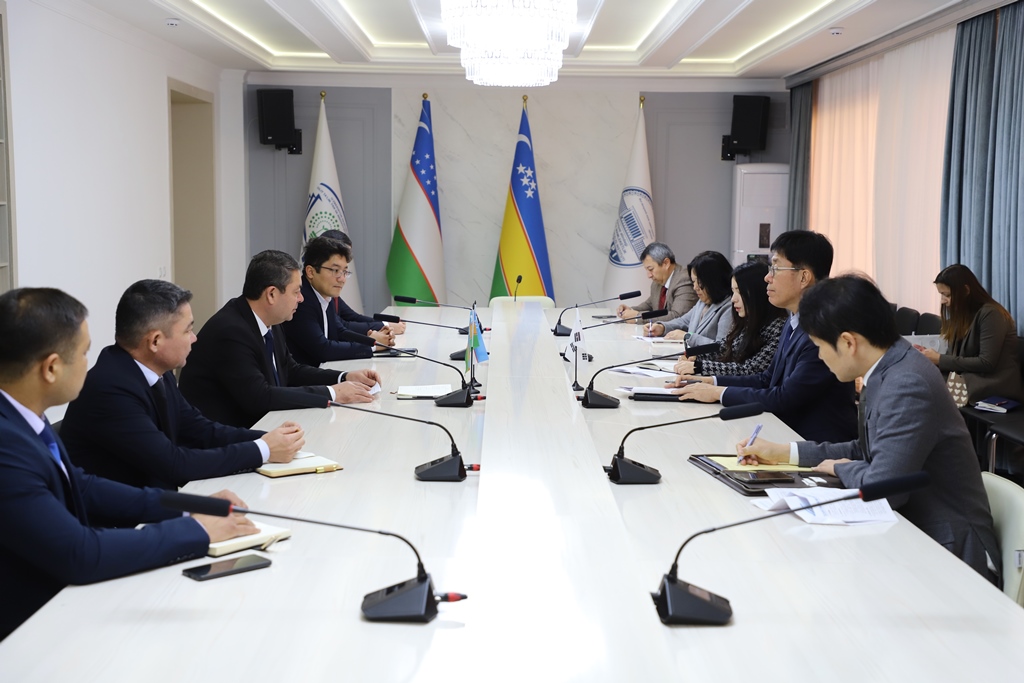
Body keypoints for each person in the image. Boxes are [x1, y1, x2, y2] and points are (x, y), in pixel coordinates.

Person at [0, 288, 257, 639]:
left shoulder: (25, 415)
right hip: (28, 628)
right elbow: (79, 554)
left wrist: (190, 505)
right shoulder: (7, 445)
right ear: (52, 368)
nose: (90, 363)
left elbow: (82, 485)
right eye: (84, 353)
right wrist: (198, 530)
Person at [736, 275, 1001, 585]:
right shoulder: (888, 365)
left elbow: (886, 488)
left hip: (950, 554)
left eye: (820, 346)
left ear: (848, 342)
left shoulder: (907, 382)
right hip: (909, 530)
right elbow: (866, 449)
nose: (819, 356)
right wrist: (784, 452)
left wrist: (841, 468)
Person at [61, 280, 305, 492]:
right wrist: (263, 450)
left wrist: (270, 439)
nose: (194, 338)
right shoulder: (110, 389)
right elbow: (173, 464)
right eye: (188, 330)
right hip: (122, 521)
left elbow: (200, 429)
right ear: (155, 341)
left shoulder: (158, 371)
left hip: (156, 504)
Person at [674, 231, 857, 443]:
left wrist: (718, 393)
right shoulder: (794, 320)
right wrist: (710, 381)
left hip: (815, 446)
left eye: (775, 268)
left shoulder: (823, 330)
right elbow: (767, 379)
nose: (767, 277)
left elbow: (784, 397)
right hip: (783, 432)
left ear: (804, 277)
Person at [179, 250, 382, 428]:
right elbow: (260, 397)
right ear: (272, 294)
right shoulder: (231, 331)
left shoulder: (271, 320)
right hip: (226, 439)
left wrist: (344, 377)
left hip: (265, 425)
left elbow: (291, 371)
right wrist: (333, 393)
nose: (301, 298)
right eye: (296, 292)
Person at [916, 264, 1023, 405]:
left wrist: (940, 359)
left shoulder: (991, 314)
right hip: (969, 381)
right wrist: (931, 358)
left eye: (947, 295)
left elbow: (986, 363)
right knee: (918, 383)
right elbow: (954, 357)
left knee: (924, 394)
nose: (942, 300)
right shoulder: (962, 314)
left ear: (966, 291)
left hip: (994, 386)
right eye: (941, 294)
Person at [283, 237, 389, 366]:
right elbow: (323, 349)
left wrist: (371, 340)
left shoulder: (324, 295)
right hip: (306, 375)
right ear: (311, 272)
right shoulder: (301, 300)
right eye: (335, 271)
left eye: (345, 272)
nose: (342, 279)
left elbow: (339, 331)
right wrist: (372, 345)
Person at [673, 260, 786, 377]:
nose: (733, 299)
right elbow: (724, 348)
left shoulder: (777, 327)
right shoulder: (748, 321)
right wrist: (696, 356)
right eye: (733, 292)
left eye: (739, 292)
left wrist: (700, 367)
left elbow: (751, 370)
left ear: (757, 293)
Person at [321, 229, 406, 336]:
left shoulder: (331, 291)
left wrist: (385, 323)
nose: (348, 259)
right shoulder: (317, 294)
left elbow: (353, 317)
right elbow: (342, 326)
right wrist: (385, 326)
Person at [646, 250, 734, 345]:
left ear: (713, 281)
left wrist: (688, 337)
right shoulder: (703, 301)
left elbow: (722, 347)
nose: (695, 287)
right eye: (693, 282)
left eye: (699, 282)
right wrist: (662, 327)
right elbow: (684, 321)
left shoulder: (729, 307)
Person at [616, 242, 697, 323]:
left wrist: (637, 317)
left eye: (651, 269)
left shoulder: (684, 279)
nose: (649, 275)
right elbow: (649, 305)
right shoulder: (658, 282)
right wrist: (629, 310)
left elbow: (677, 316)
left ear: (666, 263)